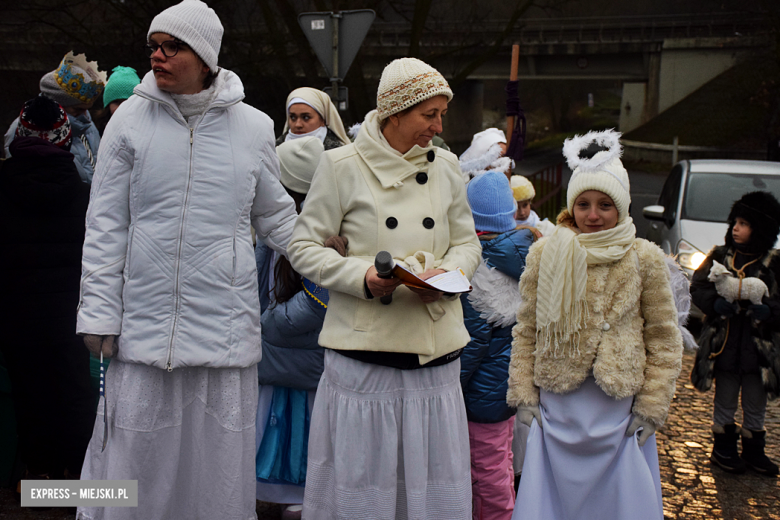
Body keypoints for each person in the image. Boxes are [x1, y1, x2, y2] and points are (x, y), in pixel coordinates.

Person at [75, 1, 298, 519]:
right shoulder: (128, 120)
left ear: (204, 57)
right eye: (153, 45)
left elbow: (279, 219)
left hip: (222, 337)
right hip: (144, 335)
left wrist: (337, 259)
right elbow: (105, 225)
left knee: (214, 482)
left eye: (170, 46)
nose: (157, 55)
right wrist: (99, 315)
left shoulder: (255, 128)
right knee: (134, 472)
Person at [287, 57, 482, 519]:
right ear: (396, 112)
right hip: (363, 359)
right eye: (428, 114)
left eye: (441, 115)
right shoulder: (340, 166)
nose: (437, 126)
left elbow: (467, 243)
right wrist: (361, 279)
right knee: (363, 488)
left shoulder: (448, 168)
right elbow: (303, 246)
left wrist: (447, 279)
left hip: (434, 358)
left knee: (430, 490)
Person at [507, 129, 683, 520]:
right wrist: (523, 392)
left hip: (617, 409)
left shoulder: (644, 258)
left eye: (605, 205)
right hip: (559, 406)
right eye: (583, 204)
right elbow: (527, 328)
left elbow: (663, 336)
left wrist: (653, 404)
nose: (592, 215)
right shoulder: (544, 254)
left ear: (621, 207)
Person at [0, 95, 95, 496]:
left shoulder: (3, 183)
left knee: (28, 390)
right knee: (74, 389)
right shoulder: (84, 190)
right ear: (63, 137)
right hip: (68, 311)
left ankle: (38, 476)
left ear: (19, 133)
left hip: (15, 308)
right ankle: (79, 479)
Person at [255, 136, 327, 520]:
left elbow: (318, 301)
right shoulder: (271, 225)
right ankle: (282, 495)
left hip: (299, 357)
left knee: (303, 433)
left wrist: (266, 325)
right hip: (276, 358)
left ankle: (300, 497)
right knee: (276, 427)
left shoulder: (319, 232)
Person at [460, 171, 534, 520]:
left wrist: (452, 389)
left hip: (479, 395)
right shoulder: (525, 256)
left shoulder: (478, 270)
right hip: (505, 387)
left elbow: (471, 344)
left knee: (484, 471)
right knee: (500, 461)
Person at [690, 191, 780, 476]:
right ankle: (723, 448)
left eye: (744, 223)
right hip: (724, 348)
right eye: (735, 222)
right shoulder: (720, 256)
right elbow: (699, 286)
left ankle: (754, 450)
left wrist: (772, 312)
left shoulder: (775, 264)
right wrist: (714, 304)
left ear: (762, 229)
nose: (736, 229)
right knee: (725, 397)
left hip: (758, 354)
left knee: (755, 401)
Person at [4, 52, 105, 183]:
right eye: (78, 109)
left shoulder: (87, 125)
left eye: (87, 109)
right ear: (58, 103)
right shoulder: (27, 128)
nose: (84, 115)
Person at [277, 87, 350, 150]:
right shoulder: (274, 150)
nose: (298, 124)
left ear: (323, 120)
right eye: (293, 117)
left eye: (306, 117)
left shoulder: (338, 153)